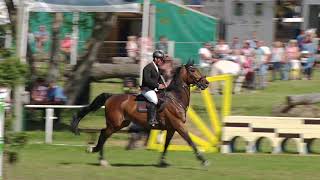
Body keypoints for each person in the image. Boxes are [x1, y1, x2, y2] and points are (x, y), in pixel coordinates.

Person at [141, 50, 166, 127]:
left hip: (153, 89)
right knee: (154, 100)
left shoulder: (156, 68)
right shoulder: (147, 68)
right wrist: (158, 86)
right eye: (160, 59)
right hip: (147, 90)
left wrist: (164, 85)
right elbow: (147, 80)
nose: (162, 61)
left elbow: (159, 79)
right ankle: (151, 120)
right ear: (155, 59)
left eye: (162, 59)